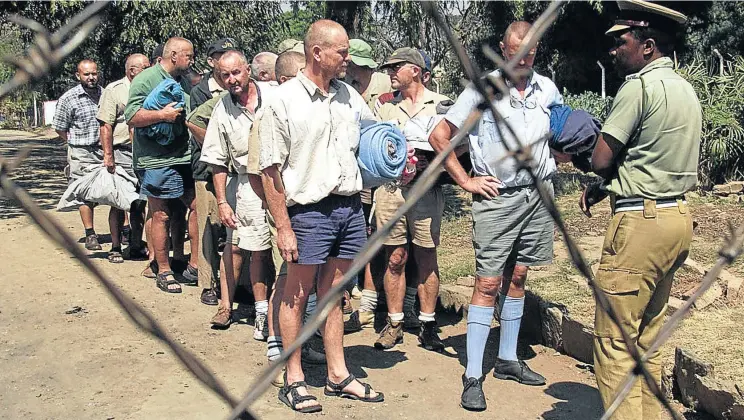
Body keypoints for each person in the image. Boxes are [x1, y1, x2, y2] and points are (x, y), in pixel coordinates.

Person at [429, 21, 562, 411]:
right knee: (487, 283)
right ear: (504, 50)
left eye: (532, 50)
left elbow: (554, 136)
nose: (525, 57)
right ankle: (473, 373)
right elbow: (440, 135)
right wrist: (466, 179)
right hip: (497, 198)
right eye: (517, 50)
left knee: (519, 275)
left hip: (538, 196)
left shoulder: (547, 88)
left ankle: (507, 359)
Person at [257, 19, 384, 413]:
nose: (348, 59)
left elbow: (374, 140)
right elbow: (269, 170)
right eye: (342, 52)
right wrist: (283, 226)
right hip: (306, 211)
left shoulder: (349, 97)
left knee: (335, 294)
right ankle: (293, 377)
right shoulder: (283, 100)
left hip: (348, 207)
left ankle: (337, 374)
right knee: (296, 296)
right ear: (317, 52)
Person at [586, 2, 700, 418]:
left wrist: (597, 172)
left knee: (615, 342)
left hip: (640, 224)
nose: (614, 49)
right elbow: (652, 158)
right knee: (648, 339)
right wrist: (609, 186)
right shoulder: (685, 89)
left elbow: (601, 158)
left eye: (622, 41)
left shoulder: (638, 86)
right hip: (677, 219)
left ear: (647, 46)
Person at [367, 48, 450, 352]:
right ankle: (395, 322)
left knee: (427, 257)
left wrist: (435, 166)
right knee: (394, 258)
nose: (389, 72)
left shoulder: (441, 106)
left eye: (396, 67)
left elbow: (462, 145)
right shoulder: (385, 107)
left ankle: (428, 324)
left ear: (415, 70)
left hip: (427, 192)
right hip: (390, 192)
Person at [200, 50, 273, 339]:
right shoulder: (222, 109)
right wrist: (221, 201)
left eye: (236, 73)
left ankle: (282, 313)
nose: (232, 80)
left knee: (282, 250)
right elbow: (216, 160)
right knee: (242, 248)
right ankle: (239, 308)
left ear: (248, 69)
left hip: (283, 181)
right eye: (224, 75)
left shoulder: (275, 95)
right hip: (245, 184)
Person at [125, 37, 197, 294]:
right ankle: (163, 270)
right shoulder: (145, 80)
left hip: (184, 156)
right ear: (174, 55)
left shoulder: (185, 81)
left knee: (195, 207)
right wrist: (161, 116)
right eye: (188, 55)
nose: (191, 60)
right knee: (161, 213)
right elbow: (132, 117)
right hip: (156, 160)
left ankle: (193, 264)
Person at [188, 38, 240, 305]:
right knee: (209, 227)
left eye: (228, 54)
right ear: (211, 62)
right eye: (219, 55)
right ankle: (208, 284)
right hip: (207, 170)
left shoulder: (240, 89)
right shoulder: (202, 91)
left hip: (237, 172)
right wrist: (216, 145)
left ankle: (235, 283)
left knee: (236, 229)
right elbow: (192, 122)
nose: (224, 59)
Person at [97, 53, 151, 263]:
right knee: (119, 202)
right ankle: (116, 246)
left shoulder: (151, 87)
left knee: (140, 201)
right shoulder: (115, 90)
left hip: (145, 152)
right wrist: (108, 155)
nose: (148, 70)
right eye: (144, 67)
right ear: (131, 70)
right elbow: (105, 124)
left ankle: (136, 245)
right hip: (122, 151)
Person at [53, 59, 104, 251]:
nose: (91, 77)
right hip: (80, 152)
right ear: (78, 76)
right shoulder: (69, 99)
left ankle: (124, 231)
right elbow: (59, 128)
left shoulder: (105, 94)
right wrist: (74, 143)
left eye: (94, 73)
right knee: (83, 194)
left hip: (104, 150)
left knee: (114, 189)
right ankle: (90, 233)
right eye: (86, 74)